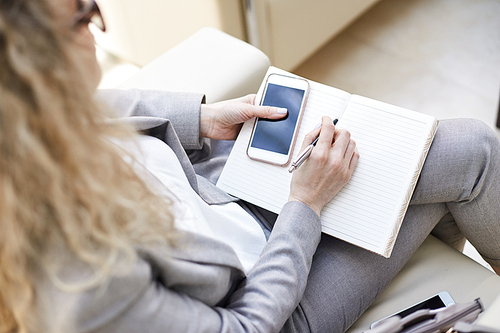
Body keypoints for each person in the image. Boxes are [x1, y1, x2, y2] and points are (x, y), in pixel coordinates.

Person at [0, 0, 499, 332]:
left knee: (447, 162)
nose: (95, 25)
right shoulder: (83, 277)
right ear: (37, 66)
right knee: (474, 155)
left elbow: (92, 109)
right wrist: (304, 206)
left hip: (228, 196)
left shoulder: (26, 126)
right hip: (272, 301)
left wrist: (201, 117)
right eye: (85, 14)